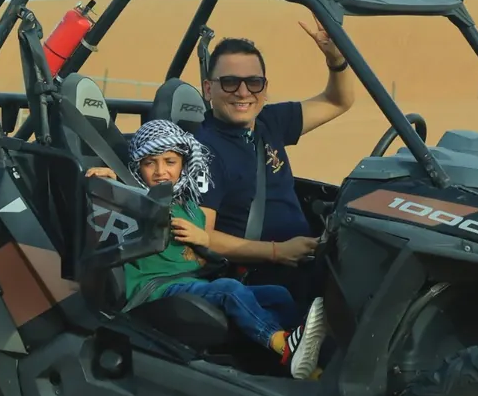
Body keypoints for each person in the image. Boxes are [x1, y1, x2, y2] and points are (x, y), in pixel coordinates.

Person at [87, 119, 321, 376]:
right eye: (149, 163)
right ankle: (281, 344)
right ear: (137, 168)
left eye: (170, 162)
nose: (160, 171)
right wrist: (108, 180)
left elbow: (207, 246)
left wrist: (202, 239)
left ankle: (293, 359)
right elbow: (108, 203)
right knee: (229, 290)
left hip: (193, 281)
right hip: (157, 288)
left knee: (278, 294)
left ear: (183, 165)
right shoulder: (134, 201)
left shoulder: (189, 207)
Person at [194, 18, 356, 249]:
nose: (243, 92)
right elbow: (201, 236)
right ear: (209, 89)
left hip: (305, 258)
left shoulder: (270, 121)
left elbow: (338, 101)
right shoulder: (203, 151)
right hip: (257, 274)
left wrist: (336, 59)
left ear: (265, 89)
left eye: (254, 83)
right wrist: (277, 253)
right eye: (230, 82)